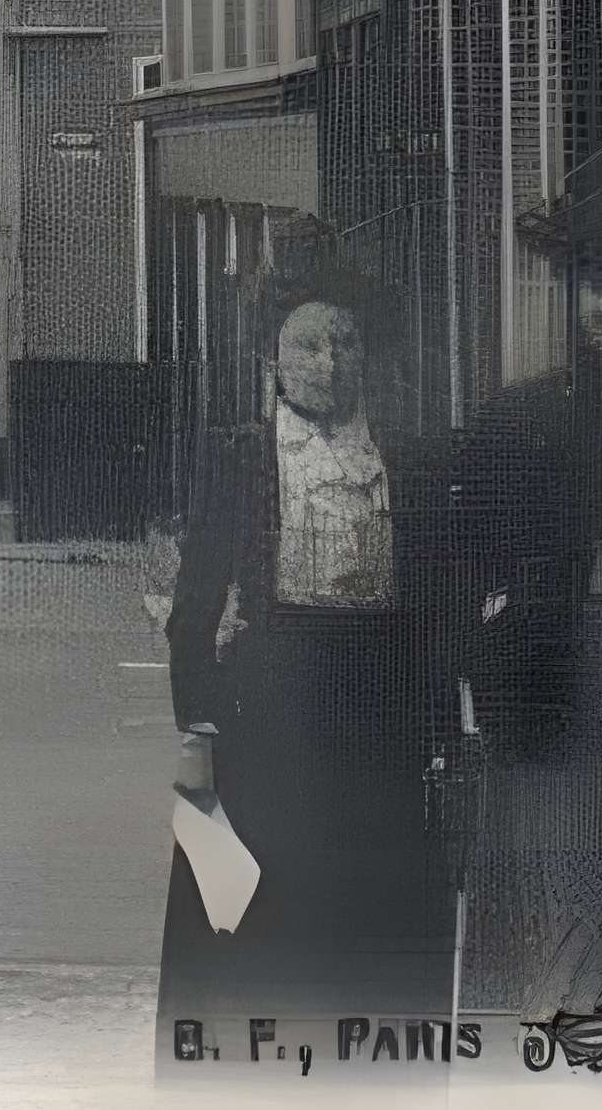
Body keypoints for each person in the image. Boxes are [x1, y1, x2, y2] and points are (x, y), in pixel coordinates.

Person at [158, 291, 458, 1045]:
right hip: (274, 704)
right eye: (310, 347)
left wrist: (439, 724)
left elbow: (432, 602)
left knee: (373, 910)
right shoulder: (240, 455)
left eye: (346, 344)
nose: (330, 362)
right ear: (275, 366)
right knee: (266, 912)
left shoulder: (404, 459)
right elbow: (195, 604)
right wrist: (201, 721)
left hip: (380, 704)